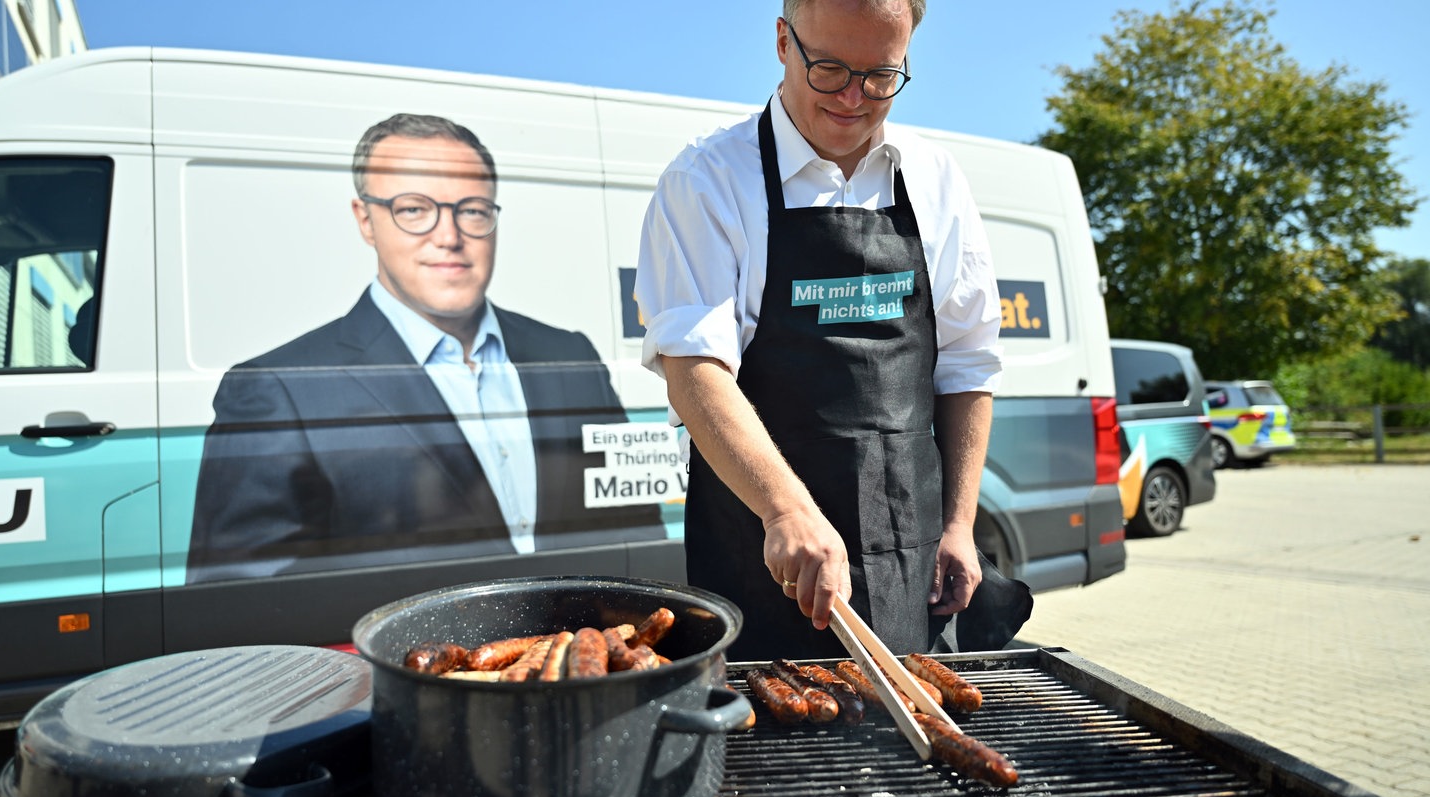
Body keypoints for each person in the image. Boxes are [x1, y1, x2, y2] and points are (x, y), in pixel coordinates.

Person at [635, 0, 1031, 660]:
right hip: (762, 554)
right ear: (784, 42)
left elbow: (966, 363)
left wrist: (959, 524)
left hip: (911, 553)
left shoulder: (935, 179)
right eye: (830, 69)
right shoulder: (708, 180)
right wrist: (785, 511)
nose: (854, 97)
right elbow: (694, 370)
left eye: (881, 75)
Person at [187, 113, 659, 584]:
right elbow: (243, 607)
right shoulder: (280, 389)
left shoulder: (568, 356)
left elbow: (636, 538)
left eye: (472, 209)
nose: (449, 236)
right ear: (365, 220)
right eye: (413, 209)